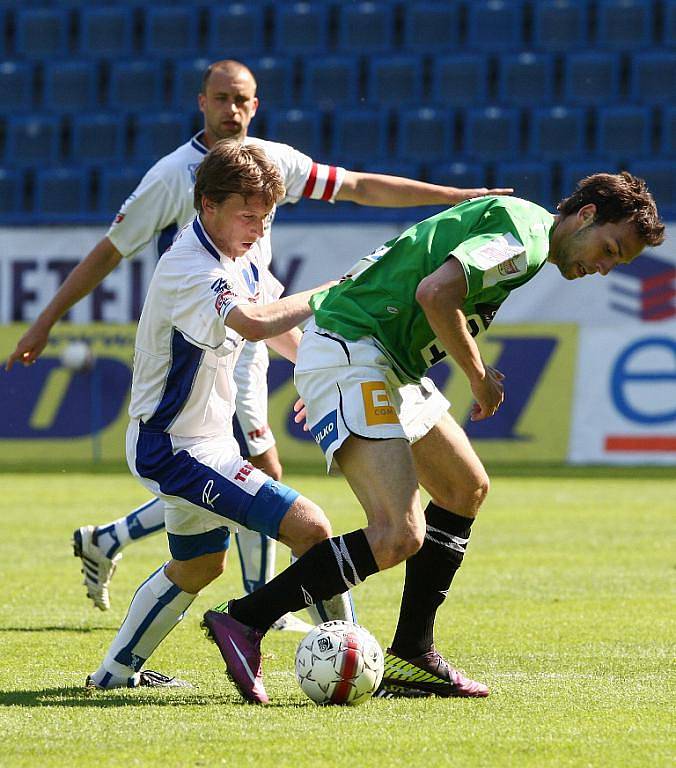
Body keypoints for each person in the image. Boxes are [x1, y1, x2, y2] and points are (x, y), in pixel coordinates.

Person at [6, 59, 512, 620]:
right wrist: (47, 319)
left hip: (258, 334)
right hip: (208, 338)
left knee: (249, 479)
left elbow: (358, 185)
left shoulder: (273, 161)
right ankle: (280, 609)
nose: (232, 110)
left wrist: (450, 197)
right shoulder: (174, 175)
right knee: (261, 479)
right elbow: (112, 248)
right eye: (221, 99)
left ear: (256, 104)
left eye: (242, 99)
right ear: (201, 102)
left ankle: (126, 544)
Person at [200, 172, 665, 703]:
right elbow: (435, 293)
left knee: (464, 487)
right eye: (609, 248)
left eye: (617, 263)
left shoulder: (524, 229)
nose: (603, 267)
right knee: (397, 534)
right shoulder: (527, 236)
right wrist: (477, 375)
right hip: (357, 350)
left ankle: (411, 654)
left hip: (382, 362)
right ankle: (245, 619)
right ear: (584, 215)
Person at [86, 140, 346, 690]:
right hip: (174, 448)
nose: (257, 226)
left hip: (201, 444)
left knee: (200, 567)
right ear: (207, 205)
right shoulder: (192, 267)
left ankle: (113, 674)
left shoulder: (237, 253)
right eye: (247, 214)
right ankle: (353, 658)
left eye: (266, 216)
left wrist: (317, 376)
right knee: (314, 530)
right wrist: (333, 290)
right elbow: (253, 323)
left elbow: (279, 329)